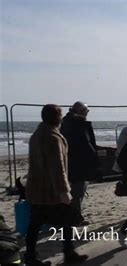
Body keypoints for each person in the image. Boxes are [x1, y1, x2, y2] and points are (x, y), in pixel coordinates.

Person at [25, 104, 88, 265]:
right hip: (50, 190)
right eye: (60, 115)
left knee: (34, 224)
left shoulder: (36, 135)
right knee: (66, 219)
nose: (61, 118)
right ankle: (68, 253)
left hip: (35, 189)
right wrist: (64, 191)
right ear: (56, 117)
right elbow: (57, 167)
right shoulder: (52, 137)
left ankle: (31, 257)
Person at [60, 101, 99, 225]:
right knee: (78, 191)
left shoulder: (67, 122)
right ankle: (75, 218)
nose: (88, 112)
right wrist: (94, 158)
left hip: (71, 162)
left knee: (76, 191)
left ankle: (73, 216)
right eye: (86, 110)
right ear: (81, 111)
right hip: (78, 163)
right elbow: (85, 144)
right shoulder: (77, 124)